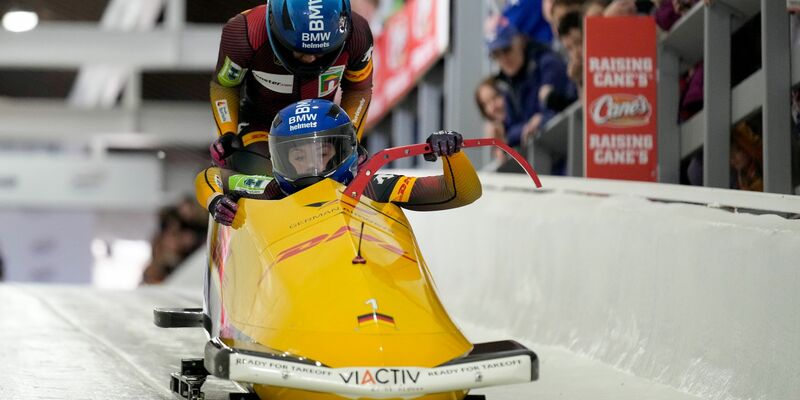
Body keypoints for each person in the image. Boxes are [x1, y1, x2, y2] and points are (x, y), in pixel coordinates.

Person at [195, 99, 482, 225]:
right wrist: (214, 202)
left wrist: (452, 154)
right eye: (298, 156)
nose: (311, 165)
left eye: (322, 153)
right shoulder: (271, 189)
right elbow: (212, 176)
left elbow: (461, 192)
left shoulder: (372, 186)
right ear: (280, 158)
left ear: (344, 150)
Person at [209, 0, 374, 174]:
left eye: (320, 52)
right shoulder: (244, 33)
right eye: (301, 50)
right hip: (261, 128)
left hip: (321, 132)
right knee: (265, 181)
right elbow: (225, 86)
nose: (311, 59)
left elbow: (358, 89)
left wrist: (351, 137)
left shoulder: (358, 33)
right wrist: (227, 133)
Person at [487, 17, 575, 149]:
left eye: (506, 49)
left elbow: (561, 108)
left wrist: (541, 120)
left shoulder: (547, 64)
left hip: (566, 149)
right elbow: (509, 132)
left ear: (520, 41)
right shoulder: (506, 83)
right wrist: (524, 128)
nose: (503, 59)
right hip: (539, 156)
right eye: (496, 54)